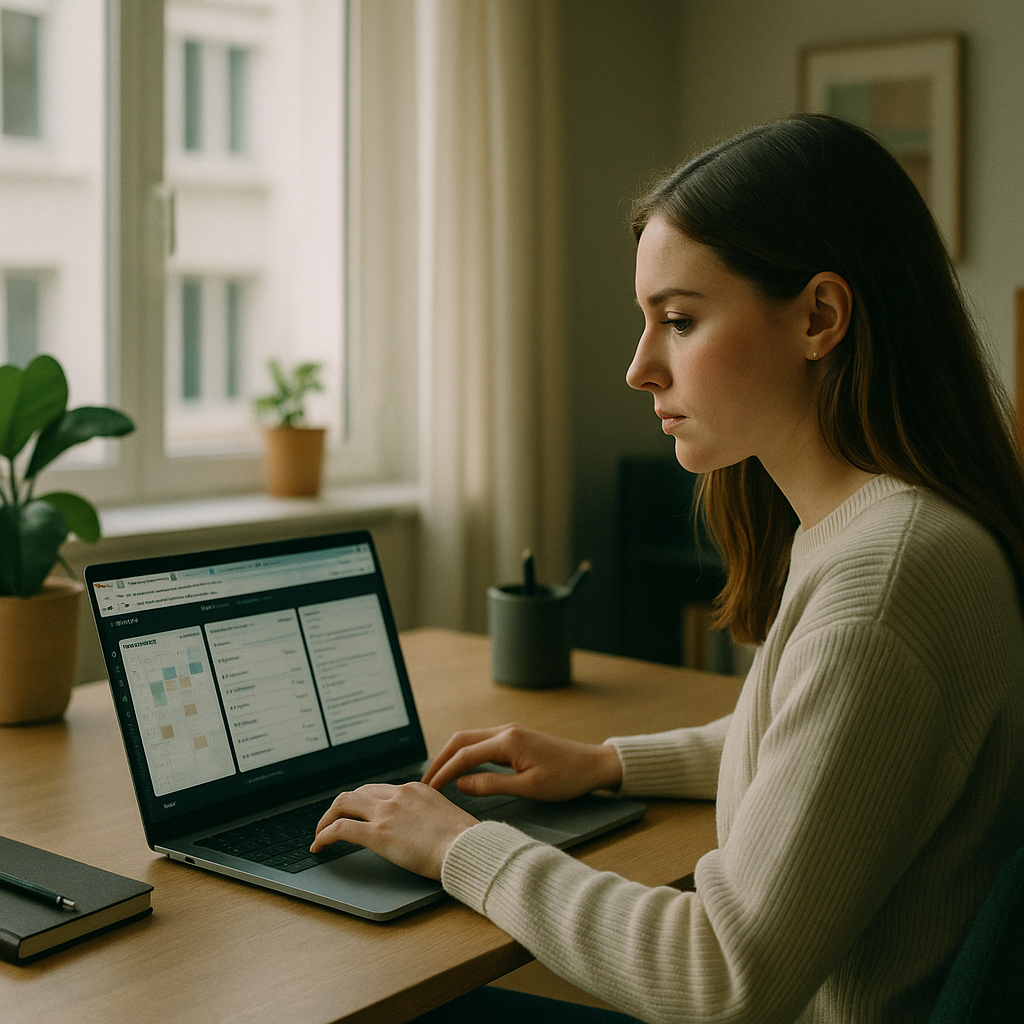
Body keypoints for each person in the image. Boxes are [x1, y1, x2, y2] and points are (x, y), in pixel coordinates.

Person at [310, 114, 1024, 1023]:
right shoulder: (892, 536)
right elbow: (817, 748)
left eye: (679, 321)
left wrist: (461, 847)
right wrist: (607, 762)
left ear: (819, 317)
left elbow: (719, 975)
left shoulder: (886, 582)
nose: (640, 367)